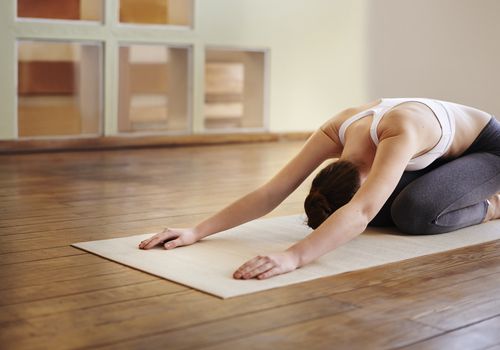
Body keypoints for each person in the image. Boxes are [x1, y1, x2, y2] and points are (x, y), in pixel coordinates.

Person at [139, 97, 500, 281]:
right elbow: (272, 190)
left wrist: (294, 256)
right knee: (374, 211)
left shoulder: (399, 132)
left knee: (414, 213)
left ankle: (494, 205)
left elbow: (360, 211)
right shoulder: (336, 131)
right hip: (439, 157)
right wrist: (196, 230)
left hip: (488, 149)